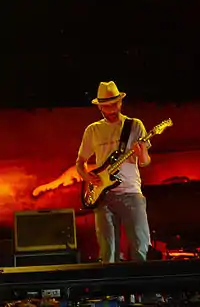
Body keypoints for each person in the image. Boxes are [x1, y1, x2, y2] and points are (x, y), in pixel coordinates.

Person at [76, 81, 151, 263]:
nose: (111, 109)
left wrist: (142, 155)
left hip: (131, 193)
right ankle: (111, 291)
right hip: (103, 196)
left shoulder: (134, 125)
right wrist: (87, 176)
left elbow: (146, 162)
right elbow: (80, 162)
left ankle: (142, 288)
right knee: (108, 252)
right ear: (100, 106)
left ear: (120, 102)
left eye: (115, 104)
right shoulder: (93, 130)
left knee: (140, 246)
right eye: (107, 106)